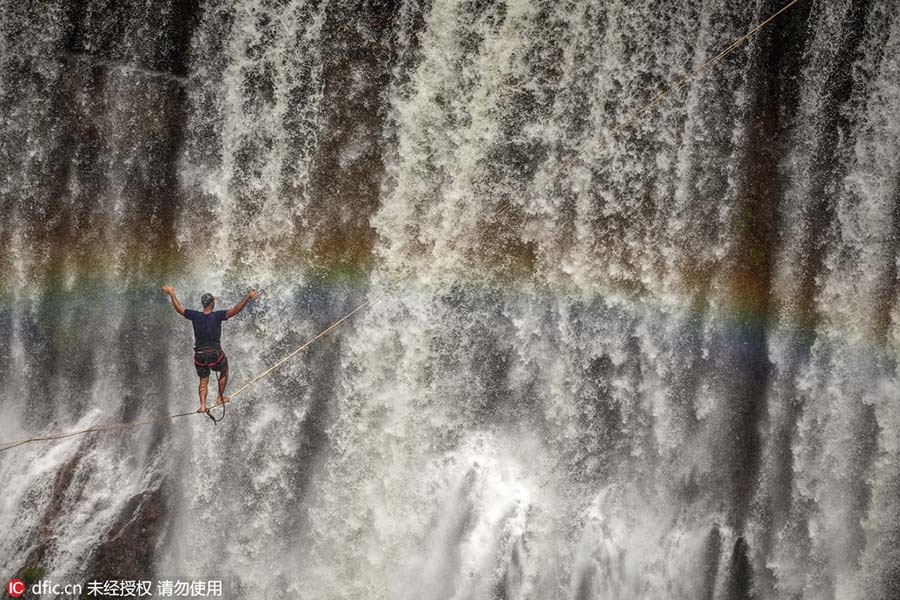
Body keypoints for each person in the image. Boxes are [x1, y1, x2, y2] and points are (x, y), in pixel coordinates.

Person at [161, 286, 259, 413]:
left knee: (203, 379)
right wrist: (248, 296)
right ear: (212, 304)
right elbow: (236, 309)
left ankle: (202, 405)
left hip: (200, 356)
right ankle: (219, 398)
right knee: (224, 370)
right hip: (215, 354)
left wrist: (172, 293)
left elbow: (179, 308)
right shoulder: (218, 315)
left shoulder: (195, 316)